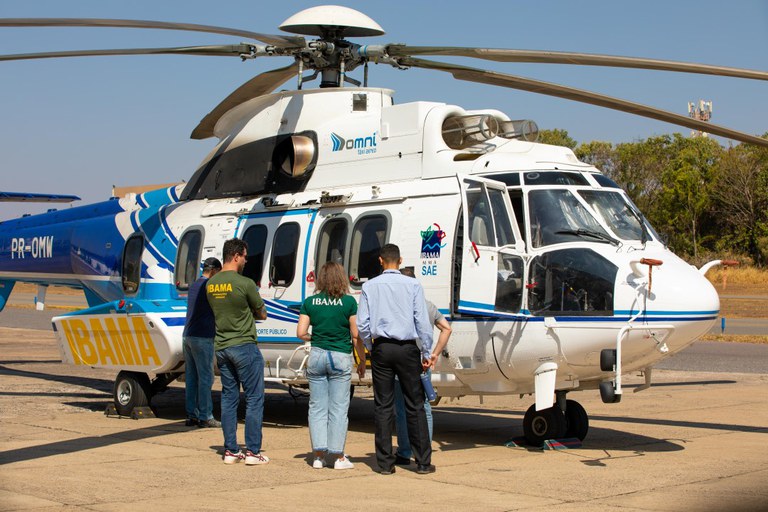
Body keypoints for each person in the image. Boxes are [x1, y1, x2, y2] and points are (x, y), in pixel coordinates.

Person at [357, 243, 435, 475]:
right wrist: (427, 352)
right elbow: (421, 321)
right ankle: (422, 462)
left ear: (380, 261)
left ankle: (384, 464)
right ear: (400, 261)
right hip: (407, 348)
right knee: (415, 404)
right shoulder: (412, 284)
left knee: (383, 405)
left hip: (382, 348)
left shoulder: (369, 286)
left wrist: (372, 346)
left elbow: (362, 323)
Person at [297, 262, 366, 470]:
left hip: (317, 355)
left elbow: (300, 333)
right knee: (338, 408)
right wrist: (362, 360)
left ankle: (318, 455)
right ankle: (337, 457)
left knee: (317, 407)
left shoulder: (310, 302)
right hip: (340, 357)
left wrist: (315, 337)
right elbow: (356, 335)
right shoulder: (348, 302)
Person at [206, 238, 269, 466]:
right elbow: (261, 313)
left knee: (229, 398)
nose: (246, 260)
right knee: (254, 398)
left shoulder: (211, 285)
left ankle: (231, 450)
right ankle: (253, 451)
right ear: (236, 256)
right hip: (244, 345)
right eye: (244, 256)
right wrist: (251, 312)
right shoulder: (245, 283)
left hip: (222, 347)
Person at [393, 267, 452, 465]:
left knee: (401, 408)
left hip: (400, 362)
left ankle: (404, 451)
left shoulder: (395, 307)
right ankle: (424, 450)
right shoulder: (428, 306)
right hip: (421, 364)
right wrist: (434, 354)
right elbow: (446, 328)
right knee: (423, 407)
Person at [182, 257, 222, 428]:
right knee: (206, 377)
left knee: (192, 377)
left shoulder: (194, 285)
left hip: (188, 336)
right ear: (213, 271)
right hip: (202, 337)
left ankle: (192, 415)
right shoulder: (209, 286)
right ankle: (206, 416)